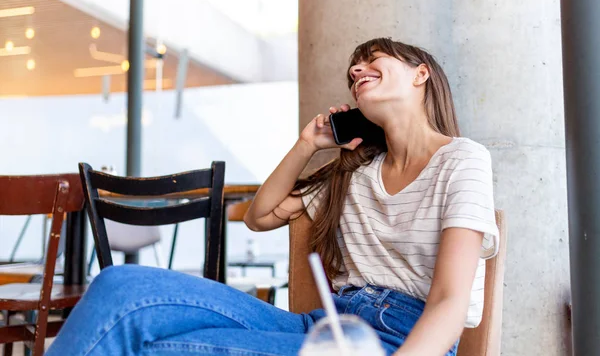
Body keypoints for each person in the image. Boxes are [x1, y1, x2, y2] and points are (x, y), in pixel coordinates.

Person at [47, 38, 499, 356]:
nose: (357, 72)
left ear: (421, 74)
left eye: (371, 60)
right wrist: (308, 145)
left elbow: (449, 303)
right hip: (324, 322)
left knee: (157, 348)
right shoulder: (356, 173)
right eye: (352, 72)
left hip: (394, 339)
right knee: (119, 285)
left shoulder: (462, 161)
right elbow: (259, 217)